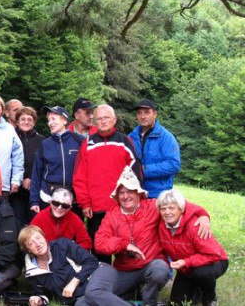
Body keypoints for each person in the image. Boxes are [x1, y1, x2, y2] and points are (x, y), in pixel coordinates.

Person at [95, 166, 211, 306]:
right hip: (124, 270)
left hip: (151, 264)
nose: (126, 196)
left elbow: (180, 206)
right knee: (105, 294)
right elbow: (99, 243)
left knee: (160, 270)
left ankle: (149, 302)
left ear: (139, 193)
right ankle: (134, 293)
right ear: (117, 196)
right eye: (122, 193)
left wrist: (203, 215)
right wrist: (124, 244)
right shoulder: (112, 215)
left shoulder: (152, 206)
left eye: (130, 191)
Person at [73, 104, 143, 263]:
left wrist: (133, 200)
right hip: (96, 208)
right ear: (95, 121)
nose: (103, 121)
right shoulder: (88, 142)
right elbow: (79, 175)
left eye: (106, 118)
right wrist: (84, 202)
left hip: (121, 206)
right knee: (100, 249)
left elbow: (136, 172)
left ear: (114, 120)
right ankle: (102, 283)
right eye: (99, 118)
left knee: (125, 249)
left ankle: (126, 283)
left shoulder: (124, 141)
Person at [19, 226, 130, 306]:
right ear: (28, 250)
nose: (37, 244)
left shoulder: (62, 245)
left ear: (44, 237)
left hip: (100, 272)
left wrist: (74, 282)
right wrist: (39, 299)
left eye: (38, 238)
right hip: (81, 297)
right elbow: (45, 294)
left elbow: (91, 261)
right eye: (31, 243)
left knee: (93, 292)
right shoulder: (31, 272)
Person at [157, 189, 228, 306]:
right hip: (186, 268)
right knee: (176, 303)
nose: (167, 212)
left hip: (216, 261)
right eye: (163, 209)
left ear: (181, 209)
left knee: (201, 273)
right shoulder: (161, 225)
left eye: (172, 208)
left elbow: (213, 254)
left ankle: (210, 299)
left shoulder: (195, 225)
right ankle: (197, 290)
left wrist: (186, 262)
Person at [29, 106, 83, 216]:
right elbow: (36, 174)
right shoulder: (44, 144)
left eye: (54, 119)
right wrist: (33, 201)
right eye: (49, 120)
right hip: (48, 197)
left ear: (64, 120)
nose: (50, 123)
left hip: (73, 198)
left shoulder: (79, 141)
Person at [129, 99, 181, 198]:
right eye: (139, 113)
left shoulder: (166, 137)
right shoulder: (131, 137)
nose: (143, 116)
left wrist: (143, 170)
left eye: (147, 112)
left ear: (155, 114)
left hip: (159, 196)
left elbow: (173, 165)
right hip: (135, 195)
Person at [11, 106, 45, 225]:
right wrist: (21, 179)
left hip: (34, 188)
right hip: (16, 190)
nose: (26, 122)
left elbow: (44, 164)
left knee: (35, 222)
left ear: (34, 122)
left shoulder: (41, 140)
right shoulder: (11, 137)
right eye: (23, 119)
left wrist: (30, 178)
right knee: (17, 222)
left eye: (29, 119)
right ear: (17, 121)